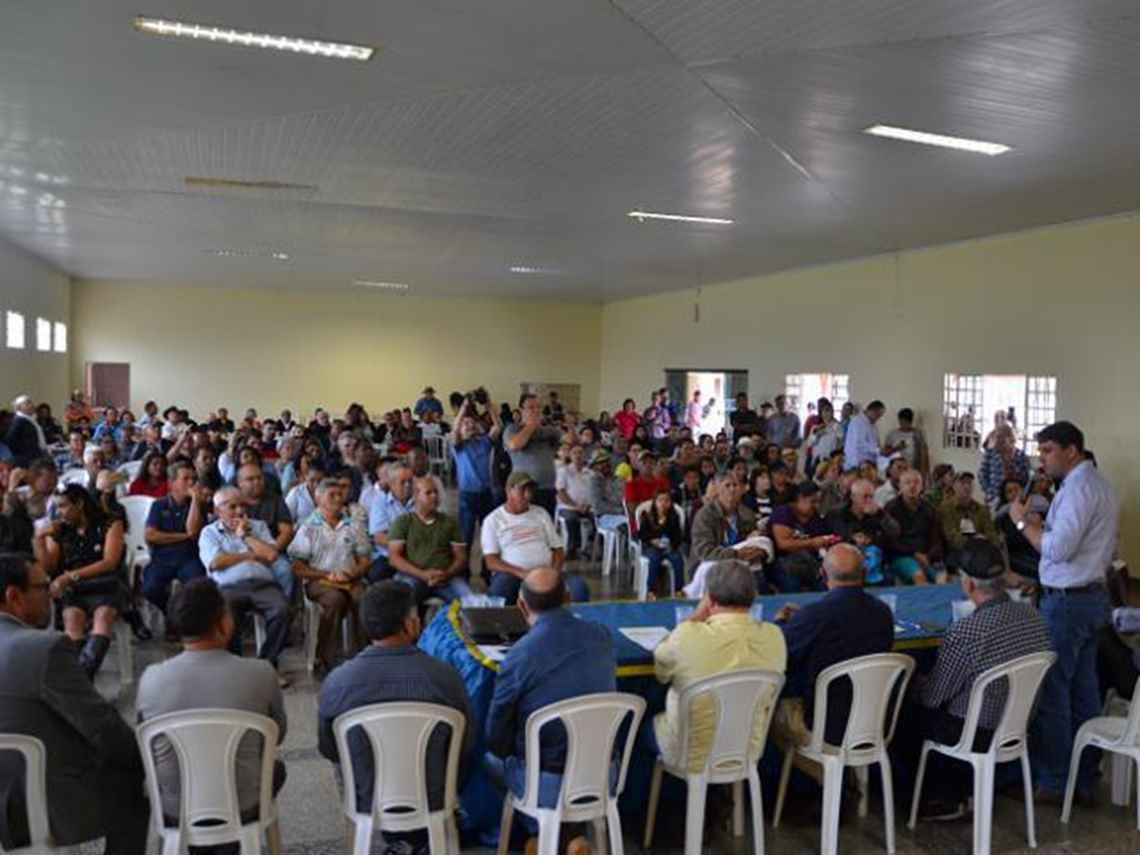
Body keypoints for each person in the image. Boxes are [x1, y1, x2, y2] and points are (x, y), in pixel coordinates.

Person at [0, 553, 150, 853]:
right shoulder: (44, 649)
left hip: (6, 793)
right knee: (132, 781)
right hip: (39, 803)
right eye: (43, 587)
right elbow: (103, 728)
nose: (53, 595)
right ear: (14, 596)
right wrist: (146, 759)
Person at [318, 581, 473, 851]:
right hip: (434, 796)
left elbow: (329, 749)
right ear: (410, 625)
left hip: (367, 796)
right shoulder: (445, 678)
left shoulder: (337, 682)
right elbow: (465, 746)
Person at [1009, 421, 1119, 803]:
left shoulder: (1078, 490)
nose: (1043, 459)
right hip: (1090, 596)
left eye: (1048, 451)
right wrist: (1040, 526)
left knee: (1054, 689)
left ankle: (1055, 780)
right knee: (1084, 688)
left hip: (1069, 602)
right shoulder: (1097, 484)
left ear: (1072, 450)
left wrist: (1021, 522)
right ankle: (1085, 775)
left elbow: (1058, 550)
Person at [908, 540, 1052, 819]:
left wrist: (912, 682)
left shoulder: (966, 631)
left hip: (975, 732)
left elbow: (933, 697)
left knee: (908, 712)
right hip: (1019, 725)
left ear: (969, 584)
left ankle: (943, 797)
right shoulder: (1034, 616)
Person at [136, 578, 288, 831]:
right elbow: (277, 734)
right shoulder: (261, 673)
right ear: (223, 622)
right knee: (276, 769)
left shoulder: (151, 679)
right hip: (244, 805)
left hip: (174, 810)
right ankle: (232, 843)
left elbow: (146, 743)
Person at [484, 569, 616, 847]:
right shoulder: (602, 637)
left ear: (521, 606)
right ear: (568, 598)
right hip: (604, 775)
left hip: (546, 783)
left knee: (490, 760)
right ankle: (569, 837)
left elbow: (496, 737)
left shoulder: (519, 656)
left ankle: (546, 836)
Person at [771, 544, 894, 776]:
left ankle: (826, 778)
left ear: (823, 574)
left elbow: (780, 650)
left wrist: (781, 622)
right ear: (864, 574)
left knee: (774, 713)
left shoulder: (814, 616)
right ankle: (845, 779)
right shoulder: (883, 613)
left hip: (821, 724)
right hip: (873, 721)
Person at [652, 560, 787, 768]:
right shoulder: (775, 636)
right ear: (753, 597)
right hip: (747, 749)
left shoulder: (687, 635)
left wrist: (695, 617)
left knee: (637, 728)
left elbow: (661, 673)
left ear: (709, 598)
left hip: (690, 752)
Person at [33, 484, 127, 680]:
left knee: (103, 615)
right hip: (75, 590)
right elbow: (49, 567)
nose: (59, 512)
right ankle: (82, 678)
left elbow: (109, 562)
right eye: (57, 507)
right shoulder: (61, 530)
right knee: (72, 619)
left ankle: (80, 679)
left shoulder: (110, 523)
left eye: (63, 506)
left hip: (106, 585)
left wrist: (70, 576)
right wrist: (40, 539)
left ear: (80, 504)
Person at [198, 487, 291, 677]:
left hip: (263, 584)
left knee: (282, 610)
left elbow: (271, 555)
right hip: (228, 587)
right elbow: (216, 563)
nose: (240, 511)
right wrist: (250, 555)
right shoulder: (209, 532)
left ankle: (267, 665)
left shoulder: (258, 527)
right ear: (218, 511)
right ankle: (236, 667)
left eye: (242, 505)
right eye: (232, 507)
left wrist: (246, 537)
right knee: (227, 613)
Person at [288, 478, 372, 673]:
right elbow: (297, 567)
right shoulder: (308, 527)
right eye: (331, 495)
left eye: (340, 494)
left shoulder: (353, 525)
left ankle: (364, 655)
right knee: (335, 600)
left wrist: (352, 572)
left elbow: (365, 560)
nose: (337, 499)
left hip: (350, 579)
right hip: (319, 581)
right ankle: (324, 658)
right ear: (318, 499)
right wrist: (327, 574)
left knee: (364, 598)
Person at [482, 471, 588, 603]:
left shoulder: (540, 513)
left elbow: (558, 549)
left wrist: (553, 573)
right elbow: (491, 562)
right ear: (509, 490)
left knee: (578, 588)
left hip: (546, 571)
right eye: (522, 490)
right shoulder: (493, 520)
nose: (528, 495)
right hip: (513, 575)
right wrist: (521, 573)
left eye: (530, 490)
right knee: (501, 592)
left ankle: (564, 616)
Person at [388, 475, 472, 604]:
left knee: (470, 601)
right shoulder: (403, 522)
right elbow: (394, 558)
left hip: (446, 578)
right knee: (402, 601)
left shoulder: (449, 522)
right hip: (412, 576)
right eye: (428, 493)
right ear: (416, 496)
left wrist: (446, 574)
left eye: (436, 492)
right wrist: (422, 574)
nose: (434, 496)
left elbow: (461, 557)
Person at [142, 461, 208, 616]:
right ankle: (170, 613)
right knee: (150, 589)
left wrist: (195, 500)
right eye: (185, 479)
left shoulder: (198, 505)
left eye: (193, 479)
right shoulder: (159, 505)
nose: (191, 483)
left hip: (189, 557)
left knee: (198, 587)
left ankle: (187, 618)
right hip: (162, 558)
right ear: (172, 483)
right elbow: (151, 535)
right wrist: (184, 536)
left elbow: (193, 531)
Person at [686, 472, 767, 583]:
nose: (732, 489)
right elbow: (704, 551)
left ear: (742, 490)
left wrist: (757, 542)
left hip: (740, 564)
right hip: (708, 565)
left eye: (735, 485)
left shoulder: (747, 514)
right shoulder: (704, 515)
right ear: (718, 490)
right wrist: (736, 554)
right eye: (727, 485)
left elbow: (750, 543)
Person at [236, 462, 296, 599]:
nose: (257, 482)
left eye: (259, 478)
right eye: (250, 479)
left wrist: (270, 551)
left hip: (273, 551)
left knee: (285, 570)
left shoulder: (275, 500)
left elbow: (286, 532)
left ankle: (281, 608)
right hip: (240, 552)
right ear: (240, 483)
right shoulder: (233, 502)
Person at [768, 482, 838, 592]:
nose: (816, 506)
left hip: (811, 563)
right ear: (800, 498)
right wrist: (812, 542)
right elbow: (783, 544)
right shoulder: (783, 512)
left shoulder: (816, 519)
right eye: (813, 501)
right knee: (791, 583)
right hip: (783, 562)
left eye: (818, 502)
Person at [452, 396, 502, 550]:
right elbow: (454, 431)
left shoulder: (484, 442)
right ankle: (464, 565)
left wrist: (488, 405)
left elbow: (498, 427)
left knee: (489, 536)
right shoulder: (459, 447)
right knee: (465, 537)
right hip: (467, 496)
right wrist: (463, 408)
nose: (470, 425)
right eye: (465, 423)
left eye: (472, 422)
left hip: (486, 494)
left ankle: (487, 565)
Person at [503, 393, 561, 516]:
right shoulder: (513, 429)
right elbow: (515, 445)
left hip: (549, 488)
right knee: (526, 523)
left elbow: (569, 441)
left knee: (545, 523)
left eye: (538, 407)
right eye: (531, 407)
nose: (536, 411)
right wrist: (532, 425)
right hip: (524, 490)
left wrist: (569, 425)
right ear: (521, 410)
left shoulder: (548, 430)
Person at [884, 469, 941, 584]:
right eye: (907, 482)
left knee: (943, 578)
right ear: (900, 486)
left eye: (916, 482)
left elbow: (936, 538)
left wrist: (929, 556)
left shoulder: (929, 509)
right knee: (919, 576)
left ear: (922, 486)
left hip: (926, 555)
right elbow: (891, 542)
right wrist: (915, 554)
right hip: (902, 556)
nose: (912, 486)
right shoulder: (891, 508)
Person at [938, 472, 1000, 568]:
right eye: (962, 483)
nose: (967, 486)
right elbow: (951, 537)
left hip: (982, 550)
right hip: (958, 551)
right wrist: (974, 542)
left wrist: (987, 541)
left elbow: (991, 534)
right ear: (954, 486)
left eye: (969, 483)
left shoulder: (982, 509)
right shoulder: (945, 508)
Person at [367, 461, 415, 582]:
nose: (408, 485)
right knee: (376, 575)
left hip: (418, 554)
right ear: (392, 484)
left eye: (410, 481)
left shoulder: (420, 499)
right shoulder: (380, 502)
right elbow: (379, 537)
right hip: (388, 555)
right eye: (402, 482)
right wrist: (407, 545)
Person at [637, 488, 686, 595]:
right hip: (651, 547)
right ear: (655, 502)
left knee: (678, 559)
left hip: (669, 547)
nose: (663, 503)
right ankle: (651, 590)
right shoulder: (647, 515)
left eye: (666, 500)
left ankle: (679, 589)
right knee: (653, 559)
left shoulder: (674, 517)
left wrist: (671, 544)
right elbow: (641, 534)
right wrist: (652, 540)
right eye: (660, 500)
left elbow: (678, 536)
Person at [555, 444, 595, 559]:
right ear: (570, 455)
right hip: (568, 506)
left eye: (580, 453)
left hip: (587, 507)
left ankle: (589, 548)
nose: (578, 455)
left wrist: (588, 505)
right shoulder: (563, 471)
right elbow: (561, 492)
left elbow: (594, 493)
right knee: (571, 519)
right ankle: (573, 548)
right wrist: (576, 506)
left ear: (585, 455)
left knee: (597, 518)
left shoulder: (590, 473)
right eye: (575, 453)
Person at [978, 424, 1030, 508]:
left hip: (1015, 499)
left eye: (1001, 438)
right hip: (994, 499)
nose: (998, 441)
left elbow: (1026, 478)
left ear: (1010, 438)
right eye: (997, 438)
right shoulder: (990, 453)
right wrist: (989, 492)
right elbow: (982, 475)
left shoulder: (1021, 456)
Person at [884, 408, 929, 478]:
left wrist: (924, 473)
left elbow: (924, 455)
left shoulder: (917, 434)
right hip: (896, 472)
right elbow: (885, 454)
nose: (903, 424)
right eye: (901, 422)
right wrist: (896, 448)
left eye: (906, 422)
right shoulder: (892, 434)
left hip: (912, 471)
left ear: (911, 422)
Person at [843, 399, 888, 468]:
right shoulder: (857, 422)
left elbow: (875, 443)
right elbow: (860, 444)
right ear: (872, 411)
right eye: (878, 415)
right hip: (857, 463)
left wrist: (881, 449)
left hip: (870, 463)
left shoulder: (873, 425)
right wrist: (878, 450)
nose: (878, 418)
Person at [5, 395, 49, 466]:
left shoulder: (30, 419)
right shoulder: (19, 421)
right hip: (28, 460)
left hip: (36, 456)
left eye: (31, 402)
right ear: (19, 408)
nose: (31, 405)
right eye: (27, 404)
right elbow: (10, 440)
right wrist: (23, 454)